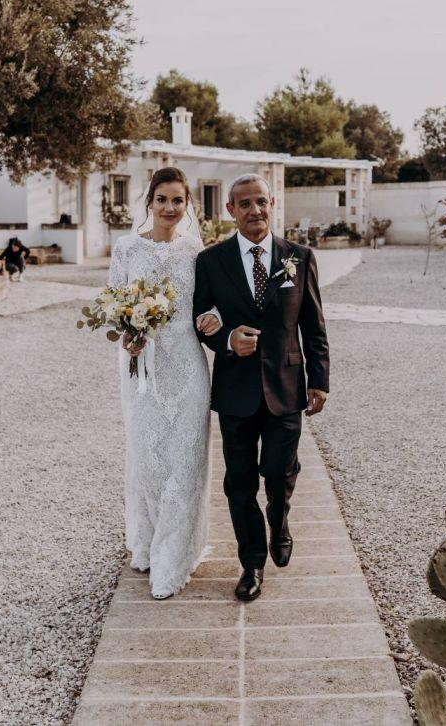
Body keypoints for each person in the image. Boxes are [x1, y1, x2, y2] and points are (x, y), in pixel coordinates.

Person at [192, 173, 330, 601]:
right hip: (235, 390)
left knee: (279, 470)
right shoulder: (210, 261)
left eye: (261, 202)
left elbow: (314, 325)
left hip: (287, 385)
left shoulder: (299, 257)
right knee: (239, 483)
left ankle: (280, 518)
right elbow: (199, 319)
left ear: (272, 204)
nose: (254, 210)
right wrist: (226, 340)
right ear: (230, 210)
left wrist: (319, 380)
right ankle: (251, 563)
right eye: (244, 204)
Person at [109, 167, 223, 600]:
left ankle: (172, 560)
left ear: (188, 205)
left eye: (178, 200)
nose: (170, 208)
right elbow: (112, 306)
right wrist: (127, 334)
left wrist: (216, 318)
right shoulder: (126, 249)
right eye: (162, 200)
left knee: (185, 462)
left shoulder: (196, 251)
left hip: (188, 368)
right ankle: (150, 540)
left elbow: (213, 303)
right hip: (144, 370)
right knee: (149, 461)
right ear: (149, 202)